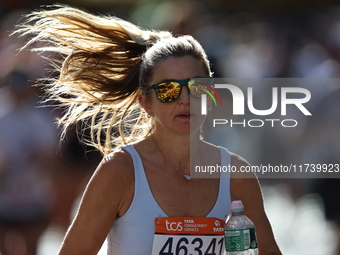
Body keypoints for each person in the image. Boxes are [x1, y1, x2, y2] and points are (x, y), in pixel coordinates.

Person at [14, 5, 282, 255]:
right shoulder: (120, 172)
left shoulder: (236, 175)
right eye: (168, 90)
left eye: (196, 87)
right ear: (146, 102)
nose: (185, 99)